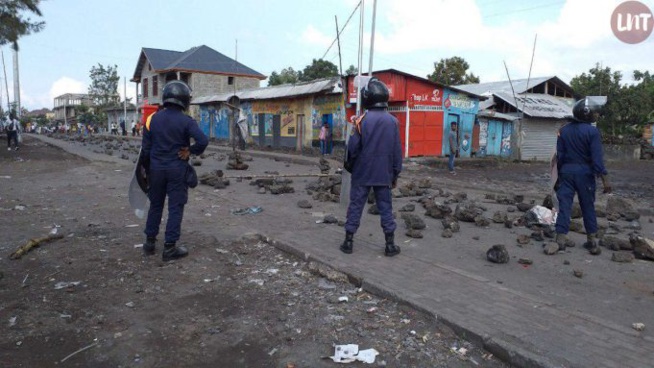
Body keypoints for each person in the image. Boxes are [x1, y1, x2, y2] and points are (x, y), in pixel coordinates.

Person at [141, 80, 208, 261]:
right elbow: (203, 141)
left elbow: (145, 150)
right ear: (184, 100)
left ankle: (149, 243)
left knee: (155, 205)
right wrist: (190, 151)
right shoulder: (186, 121)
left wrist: (146, 172)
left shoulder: (152, 119)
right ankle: (169, 248)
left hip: (156, 170)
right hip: (176, 169)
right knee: (175, 207)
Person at [341, 78, 402, 257]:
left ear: (367, 97)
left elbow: (352, 149)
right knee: (385, 208)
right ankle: (390, 245)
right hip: (384, 174)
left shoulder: (361, 121)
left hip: (362, 173)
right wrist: (395, 174)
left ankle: (348, 242)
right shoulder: (393, 122)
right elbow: (397, 151)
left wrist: (350, 167)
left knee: (356, 206)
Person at [554, 96, 611, 255]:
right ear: (587, 113)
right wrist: (605, 179)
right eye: (595, 112)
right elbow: (597, 159)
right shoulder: (592, 132)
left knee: (564, 206)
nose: (596, 115)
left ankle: (560, 239)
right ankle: (592, 241)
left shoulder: (563, 130)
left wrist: (558, 176)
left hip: (566, 173)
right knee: (587, 207)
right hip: (585, 175)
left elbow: (560, 156)